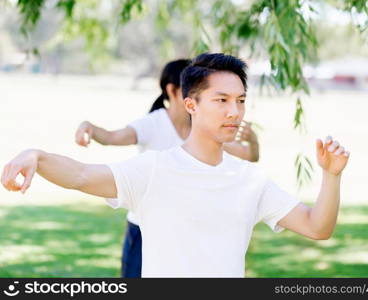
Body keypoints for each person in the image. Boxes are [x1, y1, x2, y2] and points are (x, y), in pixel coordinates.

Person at [1, 53, 350, 278]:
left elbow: (317, 227)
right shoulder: (153, 170)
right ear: (191, 104)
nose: (235, 111)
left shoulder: (250, 180)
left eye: (241, 101)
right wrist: (38, 156)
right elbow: (80, 175)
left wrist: (331, 176)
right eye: (222, 100)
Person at [74, 59, 260, 278]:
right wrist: (89, 127)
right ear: (172, 90)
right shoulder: (153, 123)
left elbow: (250, 156)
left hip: (185, 229)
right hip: (145, 228)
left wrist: (253, 139)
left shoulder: (203, 129)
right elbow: (113, 137)